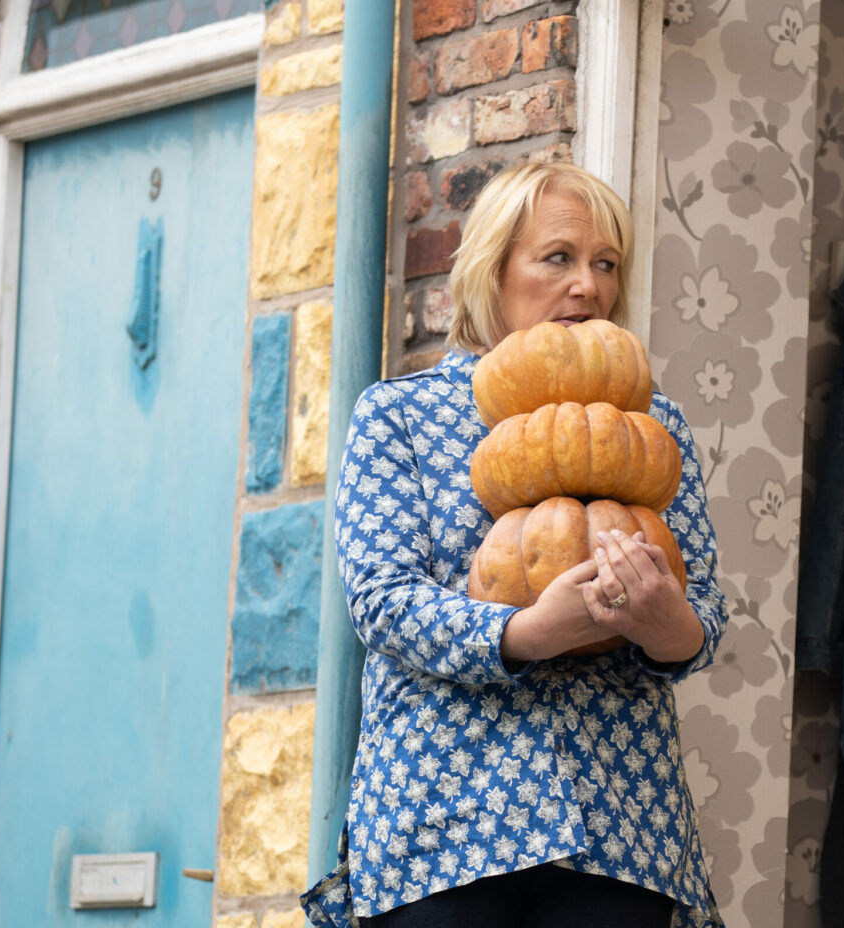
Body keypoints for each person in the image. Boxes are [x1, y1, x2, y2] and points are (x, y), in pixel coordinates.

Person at [301, 162, 728, 928]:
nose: (589, 286)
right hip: (443, 819)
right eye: (558, 258)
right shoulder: (399, 414)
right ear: (491, 272)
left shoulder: (650, 426)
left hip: (617, 823)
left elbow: (704, 618)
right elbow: (383, 603)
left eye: (606, 264)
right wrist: (529, 633)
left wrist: (670, 628)